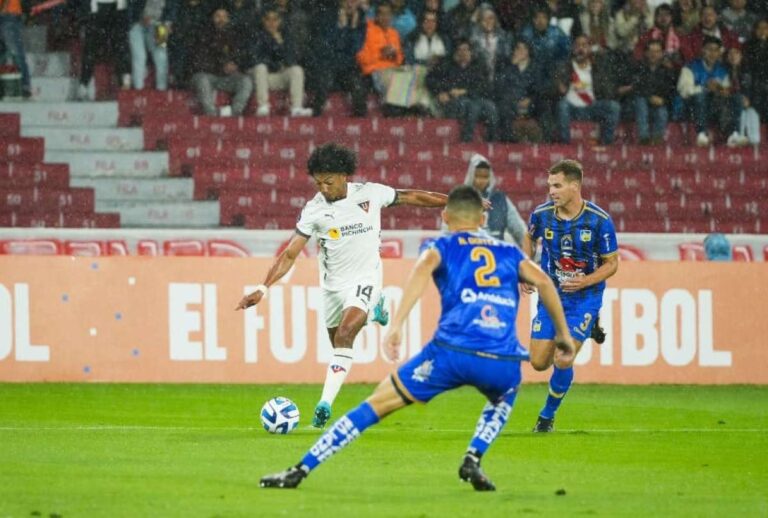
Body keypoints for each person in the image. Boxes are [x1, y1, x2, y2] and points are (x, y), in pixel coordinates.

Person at [259, 184, 576, 490]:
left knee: (375, 405)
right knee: (505, 393)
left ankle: (299, 470)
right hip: (502, 357)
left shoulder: (441, 246)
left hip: (450, 353)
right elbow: (546, 284)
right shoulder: (509, 252)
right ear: (483, 220)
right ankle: (473, 456)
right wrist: (563, 336)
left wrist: (396, 325)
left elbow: (421, 273)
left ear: (444, 217)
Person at [235, 143, 450, 429]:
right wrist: (263, 289)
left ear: (345, 176)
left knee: (347, 333)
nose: (323, 188)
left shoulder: (370, 193)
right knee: (339, 343)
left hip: (366, 276)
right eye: (318, 182)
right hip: (332, 287)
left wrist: (454, 202)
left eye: (329, 181)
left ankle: (324, 405)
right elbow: (290, 254)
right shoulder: (313, 211)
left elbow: (412, 196)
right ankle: (375, 309)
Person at [522, 159, 618, 433]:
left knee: (563, 358)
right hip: (551, 295)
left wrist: (585, 281)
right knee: (539, 362)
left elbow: (612, 263)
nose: (551, 191)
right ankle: (586, 329)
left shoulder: (599, 221)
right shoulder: (541, 215)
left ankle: (546, 418)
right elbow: (529, 239)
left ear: (575, 186)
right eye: (549, 185)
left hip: (585, 297)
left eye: (557, 185)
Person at [426, 39, 498, 142]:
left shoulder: (478, 65)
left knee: (491, 107)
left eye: (466, 50)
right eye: (460, 50)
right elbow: (430, 80)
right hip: (454, 101)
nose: (463, 53)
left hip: (475, 98)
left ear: (471, 52)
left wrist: (465, 91)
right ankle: (466, 141)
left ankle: (492, 142)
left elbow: (485, 86)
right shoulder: (446, 64)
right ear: (455, 52)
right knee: (471, 106)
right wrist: (440, 92)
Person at [554, 34, 622, 145]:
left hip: (591, 107)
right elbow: (553, 87)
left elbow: (608, 90)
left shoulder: (597, 67)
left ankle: (607, 144)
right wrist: (558, 88)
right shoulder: (564, 66)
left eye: (584, 45)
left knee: (614, 107)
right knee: (562, 105)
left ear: (589, 49)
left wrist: (604, 90)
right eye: (577, 45)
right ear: (573, 48)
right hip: (572, 108)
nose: (580, 49)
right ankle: (565, 145)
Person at [247, 8, 312, 117]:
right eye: (268, 19)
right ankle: (263, 106)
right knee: (261, 67)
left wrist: (280, 43)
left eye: (275, 19)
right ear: (264, 21)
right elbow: (256, 58)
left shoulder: (285, 36)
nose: (272, 23)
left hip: (276, 77)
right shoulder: (257, 36)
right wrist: (276, 59)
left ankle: (296, 108)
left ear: (280, 21)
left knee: (297, 70)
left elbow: (291, 60)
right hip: (261, 78)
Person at [190, 8, 253, 117]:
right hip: (208, 75)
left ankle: (234, 113)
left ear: (228, 19)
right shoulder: (203, 34)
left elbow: (243, 56)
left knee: (246, 81)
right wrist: (221, 67)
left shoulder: (234, 35)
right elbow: (199, 61)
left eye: (224, 17)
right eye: (218, 16)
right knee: (202, 80)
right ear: (212, 18)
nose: (221, 19)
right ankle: (211, 114)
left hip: (227, 78)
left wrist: (235, 64)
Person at [677, 35, 738, 147]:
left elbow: (726, 90)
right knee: (701, 97)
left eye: (715, 50)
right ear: (703, 50)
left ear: (720, 53)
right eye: (709, 49)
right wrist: (704, 88)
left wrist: (720, 90)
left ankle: (731, 134)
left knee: (729, 99)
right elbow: (684, 90)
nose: (712, 53)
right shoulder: (690, 67)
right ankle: (701, 133)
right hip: (690, 108)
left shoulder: (722, 70)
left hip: (714, 108)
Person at [454, 154, 526, 246]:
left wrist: (528, 253)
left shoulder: (500, 200)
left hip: (496, 256)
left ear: (490, 177)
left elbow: (519, 230)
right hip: (467, 254)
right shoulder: (459, 199)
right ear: (471, 176)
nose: (481, 181)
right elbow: (447, 232)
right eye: (478, 176)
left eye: (485, 177)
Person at [633, 38, 677, 144]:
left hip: (658, 105)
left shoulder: (668, 71)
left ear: (662, 54)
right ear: (646, 53)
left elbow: (671, 92)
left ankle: (657, 142)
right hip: (639, 104)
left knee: (662, 112)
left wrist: (663, 101)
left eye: (657, 51)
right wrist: (650, 97)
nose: (653, 54)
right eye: (651, 51)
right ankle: (644, 138)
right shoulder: (639, 68)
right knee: (641, 102)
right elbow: (636, 87)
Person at [128, 0, 177, 91]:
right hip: (138, 24)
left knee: (161, 57)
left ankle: (161, 88)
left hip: (160, 24)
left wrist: (168, 22)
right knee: (139, 56)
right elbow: (132, 6)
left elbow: (173, 7)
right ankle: (138, 89)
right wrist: (139, 18)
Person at [0, 0, 31, 98]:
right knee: (10, 53)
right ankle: (22, 86)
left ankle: (24, 86)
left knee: (16, 53)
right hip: (8, 14)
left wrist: (4, 7)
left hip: (8, 14)